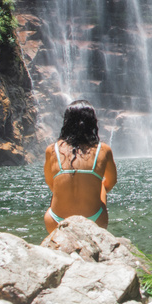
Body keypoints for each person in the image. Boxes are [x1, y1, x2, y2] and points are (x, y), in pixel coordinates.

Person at [43, 100, 117, 233]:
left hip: (56, 221)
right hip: (94, 220)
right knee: (100, 184)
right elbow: (111, 182)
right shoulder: (103, 149)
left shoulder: (52, 149)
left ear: (66, 122)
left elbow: (51, 185)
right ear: (92, 122)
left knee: (58, 184)